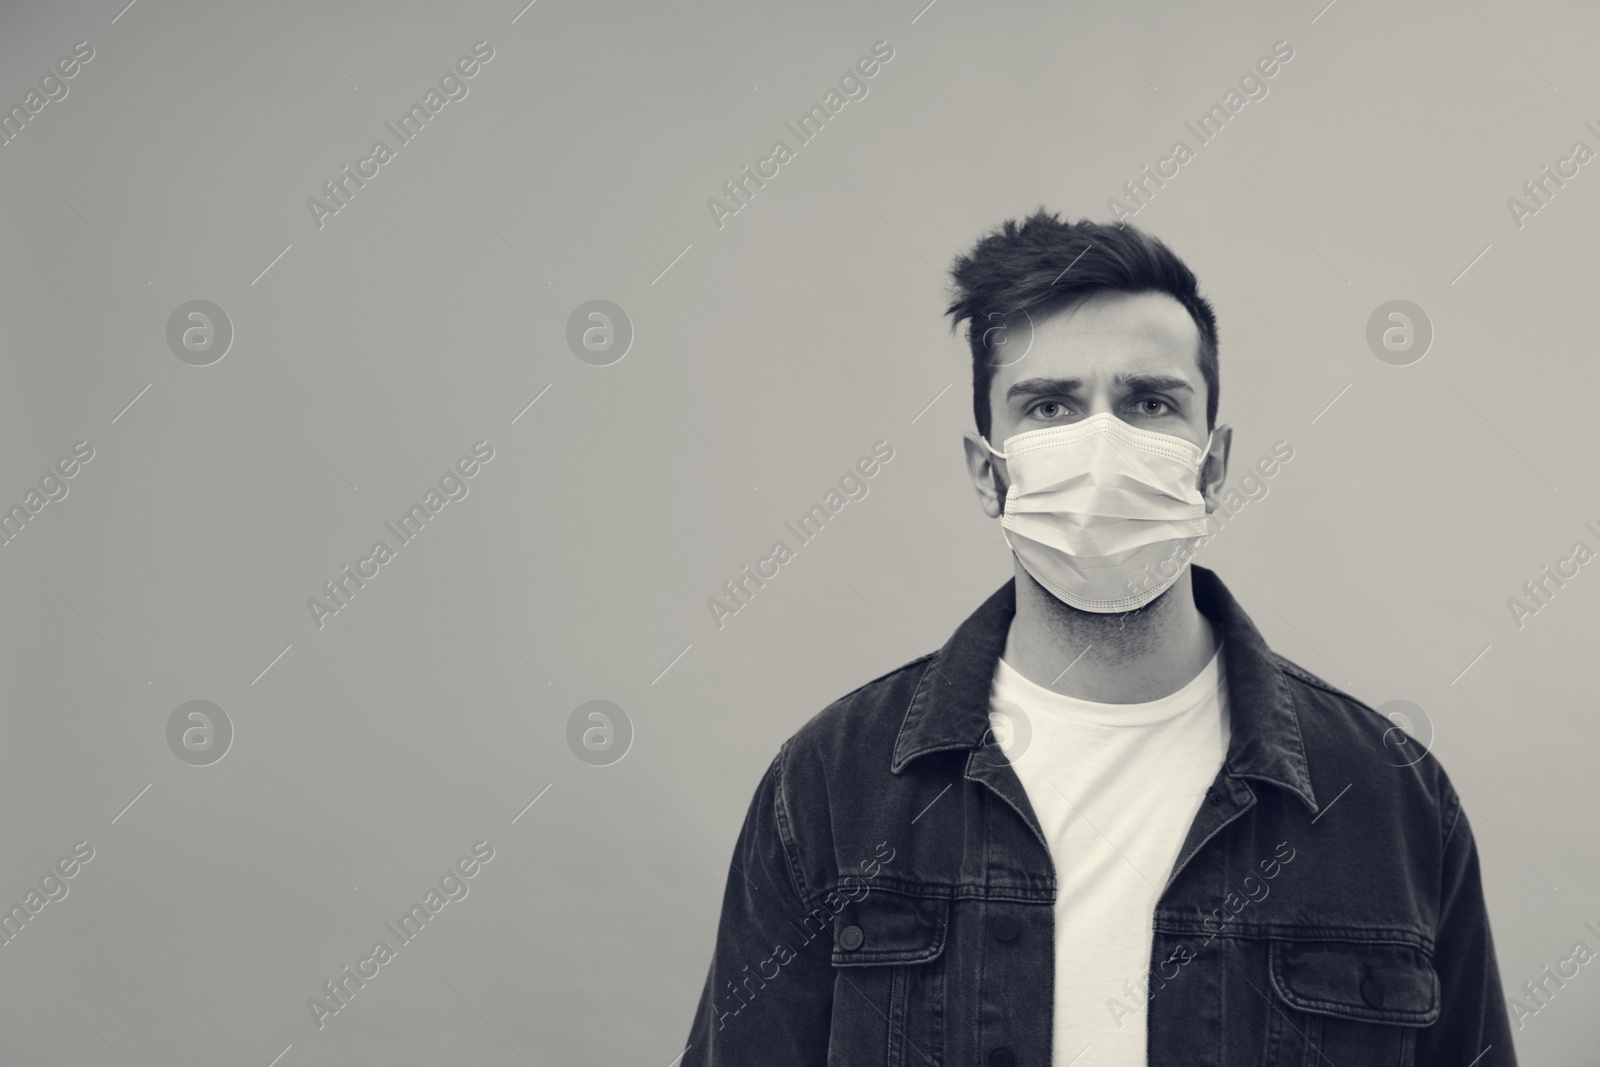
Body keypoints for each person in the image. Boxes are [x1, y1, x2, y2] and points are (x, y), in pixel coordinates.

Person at [681, 211, 1516, 1066]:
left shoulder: (1387, 799)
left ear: (1213, 465)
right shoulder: (833, 787)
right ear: (987, 472)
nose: (1103, 445)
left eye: (1149, 401)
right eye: (1050, 405)